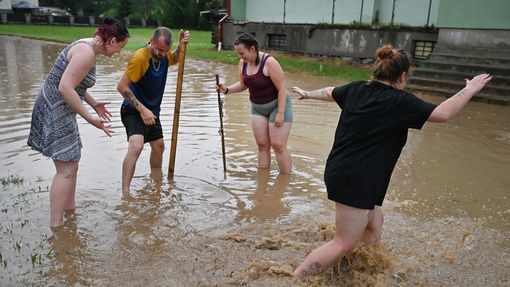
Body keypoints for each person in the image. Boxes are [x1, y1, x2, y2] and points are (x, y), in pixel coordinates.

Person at [290, 45, 492, 277]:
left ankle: (351, 268)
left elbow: (328, 92)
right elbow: (442, 113)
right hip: (355, 178)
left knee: (375, 227)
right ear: (403, 75)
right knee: (343, 242)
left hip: (357, 174)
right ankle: (296, 279)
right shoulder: (399, 102)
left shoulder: (356, 89)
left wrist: (307, 93)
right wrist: (470, 89)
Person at [27, 17, 130, 228]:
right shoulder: (86, 53)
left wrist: (93, 104)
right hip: (55, 109)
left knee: (71, 163)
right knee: (65, 168)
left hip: (60, 107)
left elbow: (74, 83)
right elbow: (65, 88)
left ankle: (70, 212)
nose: (119, 52)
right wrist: (90, 118)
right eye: (120, 46)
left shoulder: (89, 46)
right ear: (111, 41)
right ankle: (57, 226)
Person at [117, 27, 190, 194]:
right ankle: (126, 194)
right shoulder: (141, 58)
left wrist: (180, 46)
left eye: (166, 50)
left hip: (152, 111)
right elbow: (121, 87)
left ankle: (155, 182)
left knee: (159, 146)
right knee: (136, 146)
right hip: (133, 109)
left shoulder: (164, 56)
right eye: (160, 49)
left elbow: (176, 58)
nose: (163, 54)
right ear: (151, 40)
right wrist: (142, 110)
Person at [217, 33, 293, 174]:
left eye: (242, 53)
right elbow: (243, 85)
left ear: (252, 49)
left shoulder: (269, 62)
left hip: (278, 106)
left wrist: (281, 113)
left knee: (278, 145)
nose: (241, 57)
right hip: (257, 108)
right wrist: (226, 90)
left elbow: (282, 87)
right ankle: (262, 181)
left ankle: (286, 181)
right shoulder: (243, 63)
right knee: (262, 145)